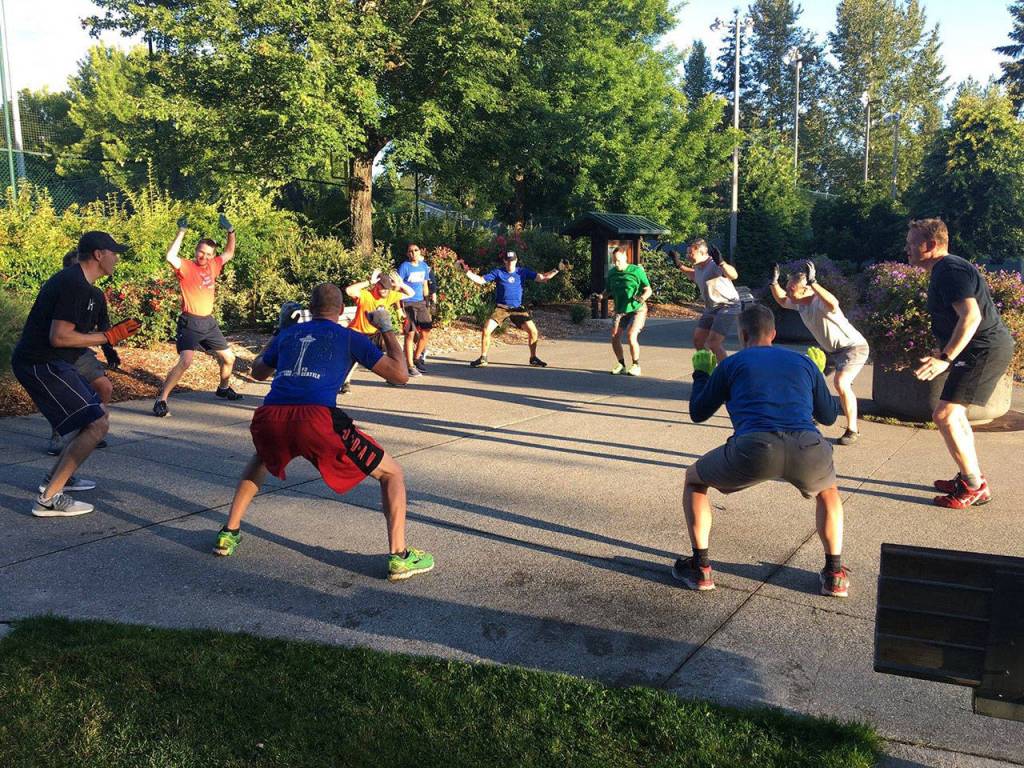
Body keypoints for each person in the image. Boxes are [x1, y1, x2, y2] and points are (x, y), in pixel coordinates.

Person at [212, 282, 434, 581]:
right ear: (342, 310)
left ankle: (229, 533)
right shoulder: (348, 337)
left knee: (261, 459)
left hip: (270, 416)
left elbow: (257, 372)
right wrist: (386, 328)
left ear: (309, 309)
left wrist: (280, 329)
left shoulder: (290, 334)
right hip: (317, 419)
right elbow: (400, 376)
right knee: (391, 473)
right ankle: (400, 557)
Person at [674, 304, 849, 598]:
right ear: (774, 333)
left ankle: (700, 568)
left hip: (754, 448)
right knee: (829, 491)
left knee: (694, 479)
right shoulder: (804, 363)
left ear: (742, 335)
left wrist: (701, 374)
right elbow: (830, 417)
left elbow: (698, 412)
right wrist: (818, 374)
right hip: (807, 445)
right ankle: (834, 573)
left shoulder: (731, 364)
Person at [11, 231, 140, 517]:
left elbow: (71, 335)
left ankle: (55, 481)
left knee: (94, 420)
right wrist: (106, 337)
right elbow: (59, 337)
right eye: (113, 253)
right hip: (41, 363)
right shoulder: (75, 284)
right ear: (98, 254)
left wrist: (109, 336)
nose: (116, 258)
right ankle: (48, 499)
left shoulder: (78, 283)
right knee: (96, 424)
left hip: (50, 362)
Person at [906, 218, 1015, 509]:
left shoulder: (949, 270)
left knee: (945, 415)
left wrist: (945, 358)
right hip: (977, 350)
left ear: (930, 245)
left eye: (911, 243)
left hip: (983, 350)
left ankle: (974, 486)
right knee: (954, 415)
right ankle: (972, 477)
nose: (907, 248)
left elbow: (972, 317)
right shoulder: (946, 269)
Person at [769, 259, 869, 445]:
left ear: (805, 288)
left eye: (792, 289)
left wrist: (814, 282)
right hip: (830, 350)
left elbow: (834, 302)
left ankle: (852, 430)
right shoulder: (799, 303)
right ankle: (810, 417)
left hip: (853, 348)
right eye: (788, 287)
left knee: (841, 382)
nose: (788, 292)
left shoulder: (818, 302)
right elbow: (782, 301)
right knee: (807, 378)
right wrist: (774, 282)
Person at [153, 214, 240, 417]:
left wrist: (231, 231)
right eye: (202, 252)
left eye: (209, 254)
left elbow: (229, 253)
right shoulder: (186, 266)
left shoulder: (214, 265)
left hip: (208, 322)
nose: (204, 257)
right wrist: (181, 232)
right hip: (190, 322)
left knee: (229, 358)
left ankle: (223, 389)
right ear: (196, 251)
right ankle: (161, 399)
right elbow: (170, 257)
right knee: (185, 362)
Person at [45, 249, 119, 455]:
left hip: (79, 352)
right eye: (74, 268)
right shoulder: (58, 290)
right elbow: (54, 334)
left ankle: (91, 429)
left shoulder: (95, 295)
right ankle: (58, 433)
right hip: (54, 352)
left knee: (104, 387)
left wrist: (110, 352)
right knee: (62, 394)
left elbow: (104, 326)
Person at [459, 250, 562, 368]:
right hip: (501, 308)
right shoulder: (498, 272)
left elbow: (543, 278)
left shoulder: (522, 272)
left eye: (512, 261)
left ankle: (533, 358)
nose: (510, 264)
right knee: (486, 329)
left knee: (533, 331)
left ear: (516, 261)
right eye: (507, 261)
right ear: (504, 261)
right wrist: (466, 272)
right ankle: (483, 358)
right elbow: (481, 280)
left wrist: (557, 269)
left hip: (517, 309)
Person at [340, 270, 415, 393]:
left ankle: (392, 375)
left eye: (388, 289)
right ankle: (345, 382)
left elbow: (411, 293)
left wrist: (401, 284)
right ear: (377, 286)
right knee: (353, 358)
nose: (385, 291)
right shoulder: (366, 295)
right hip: (358, 332)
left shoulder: (390, 295)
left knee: (394, 347)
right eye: (383, 288)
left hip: (375, 333)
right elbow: (349, 291)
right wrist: (369, 281)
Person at [673, 239, 740, 362]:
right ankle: (708, 368)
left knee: (714, 343)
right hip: (711, 308)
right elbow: (694, 275)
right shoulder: (698, 266)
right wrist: (679, 265)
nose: (688, 256)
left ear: (703, 253)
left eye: (691, 253)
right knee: (698, 340)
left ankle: (726, 373)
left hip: (728, 306)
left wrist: (722, 262)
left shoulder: (714, 264)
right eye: (687, 253)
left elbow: (734, 275)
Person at [601, 245, 652, 376]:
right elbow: (607, 292)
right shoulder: (612, 274)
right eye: (614, 261)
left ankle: (636, 365)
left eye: (619, 260)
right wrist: (601, 296)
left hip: (637, 309)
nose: (616, 263)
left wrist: (641, 298)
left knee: (631, 335)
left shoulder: (636, 271)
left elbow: (648, 289)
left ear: (625, 258)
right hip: (620, 309)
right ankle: (621, 364)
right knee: (614, 336)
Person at [397, 243, 435, 377]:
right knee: (410, 334)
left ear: (420, 252)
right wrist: (398, 308)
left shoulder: (424, 266)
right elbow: (396, 288)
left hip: (421, 303)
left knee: (426, 332)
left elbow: (425, 285)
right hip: (408, 303)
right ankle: (410, 366)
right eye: (410, 251)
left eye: (416, 250)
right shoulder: (404, 267)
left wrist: (428, 303)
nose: (413, 253)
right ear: (408, 254)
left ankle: (416, 357)